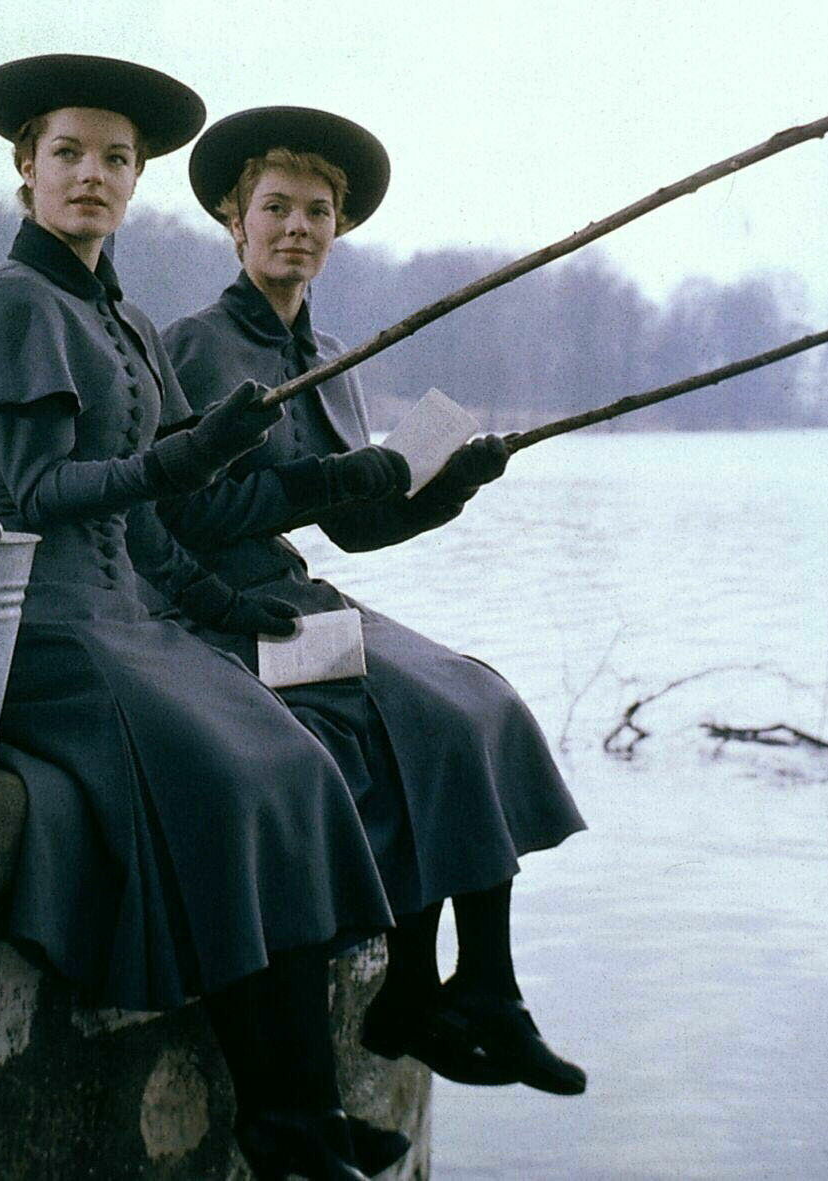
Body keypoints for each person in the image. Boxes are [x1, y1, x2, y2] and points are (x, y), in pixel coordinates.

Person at [0, 59, 407, 1179]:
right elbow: (37, 496)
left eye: (116, 158)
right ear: (27, 167)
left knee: (293, 763)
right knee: (228, 781)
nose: (92, 174)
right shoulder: (11, 306)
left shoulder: (123, 318)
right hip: (46, 632)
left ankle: (306, 1115)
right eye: (68, 153)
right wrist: (180, 458)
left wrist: (223, 602)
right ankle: (285, 1126)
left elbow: (151, 523)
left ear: (136, 181)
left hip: (129, 617)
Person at [158, 106, 589, 1095]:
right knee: (399, 715)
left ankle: (475, 987)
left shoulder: (332, 353)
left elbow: (357, 527)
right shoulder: (195, 346)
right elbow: (183, 513)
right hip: (213, 608)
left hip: (292, 587)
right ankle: (420, 991)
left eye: (317, 212)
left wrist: (445, 485)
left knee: (471, 696)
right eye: (275, 207)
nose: (296, 228)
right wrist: (337, 478)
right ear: (234, 221)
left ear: (337, 230)